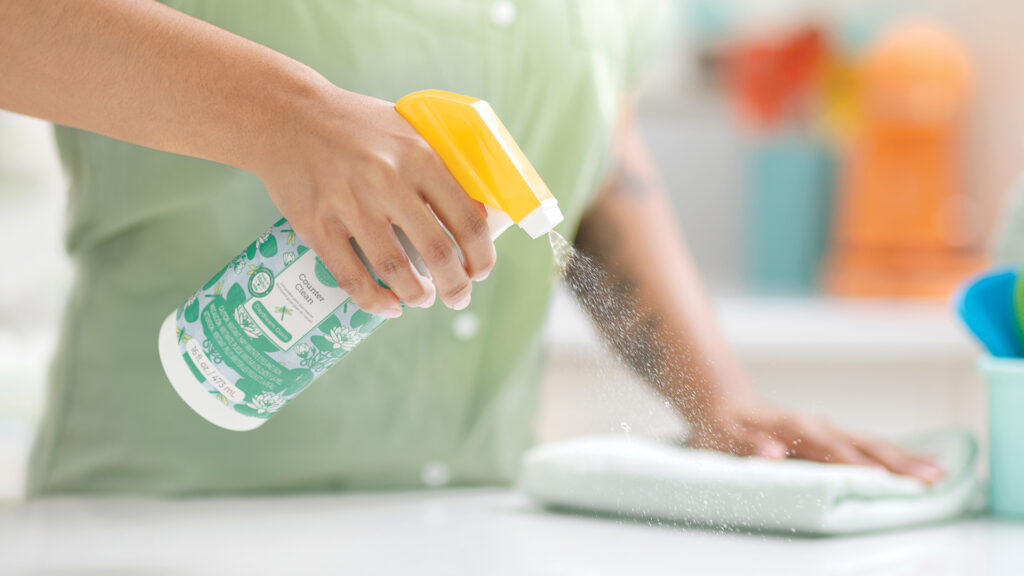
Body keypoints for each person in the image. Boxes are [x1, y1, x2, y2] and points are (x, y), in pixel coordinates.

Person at [1, 0, 941, 495]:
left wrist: (722, 402)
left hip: (471, 513)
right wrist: (284, 118)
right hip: (167, 508)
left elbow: (589, 150)